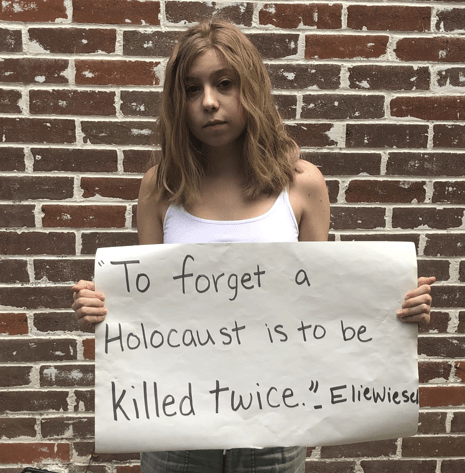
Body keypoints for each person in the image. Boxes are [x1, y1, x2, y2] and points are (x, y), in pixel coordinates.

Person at [72, 19, 435, 473]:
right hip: (175, 423)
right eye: (191, 89)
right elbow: (147, 309)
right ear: (177, 102)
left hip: (276, 423)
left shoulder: (302, 185)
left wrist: (395, 308)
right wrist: (102, 309)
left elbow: (321, 302)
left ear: (252, 89)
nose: (208, 102)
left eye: (225, 84)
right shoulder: (160, 188)